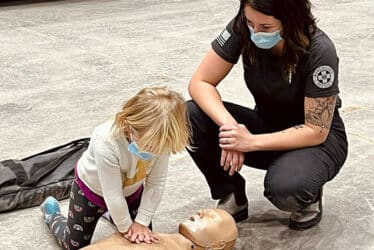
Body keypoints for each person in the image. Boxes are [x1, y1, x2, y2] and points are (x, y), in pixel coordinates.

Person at [186, 0, 348, 230]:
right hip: (267, 124)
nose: (255, 32)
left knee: (285, 189)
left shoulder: (320, 51)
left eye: (266, 28)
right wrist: (231, 128)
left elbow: (316, 130)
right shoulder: (244, 26)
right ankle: (231, 193)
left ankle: (307, 195)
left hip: (315, 141)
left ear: (291, 21)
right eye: (250, 23)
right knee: (188, 115)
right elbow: (200, 82)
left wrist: (250, 142)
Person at [40, 86, 191, 249]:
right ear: (129, 124)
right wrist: (126, 227)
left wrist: (141, 222)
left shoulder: (163, 140)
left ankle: (113, 214)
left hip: (130, 191)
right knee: (73, 245)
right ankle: (52, 215)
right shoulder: (106, 140)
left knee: (144, 242)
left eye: (159, 149)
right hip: (91, 192)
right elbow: (112, 193)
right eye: (148, 146)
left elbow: (156, 183)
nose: (153, 152)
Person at [82, 208, 238, 250]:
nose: (197, 214)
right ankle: (55, 217)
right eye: (199, 212)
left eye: (209, 218)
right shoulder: (155, 235)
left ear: (220, 244)